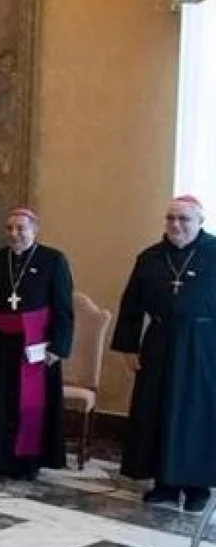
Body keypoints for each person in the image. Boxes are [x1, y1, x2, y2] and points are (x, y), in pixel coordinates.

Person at [113, 195, 216, 511]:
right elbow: (131, 304)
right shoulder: (150, 257)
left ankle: (197, 486)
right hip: (158, 341)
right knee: (156, 410)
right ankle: (164, 483)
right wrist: (129, 347)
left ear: (200, 221)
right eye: (171, 218)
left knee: (196, 413)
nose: (176, 225)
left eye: (184, 219)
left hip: (204, 345)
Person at [0, 208, 73, 480]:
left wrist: (58, 348)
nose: (14, 234)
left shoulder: (53, 260)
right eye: (9, 228)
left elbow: (63, 308)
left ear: (35, 230)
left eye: (21, 228)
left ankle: (28, 463)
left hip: (36, 347)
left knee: (30, 406)